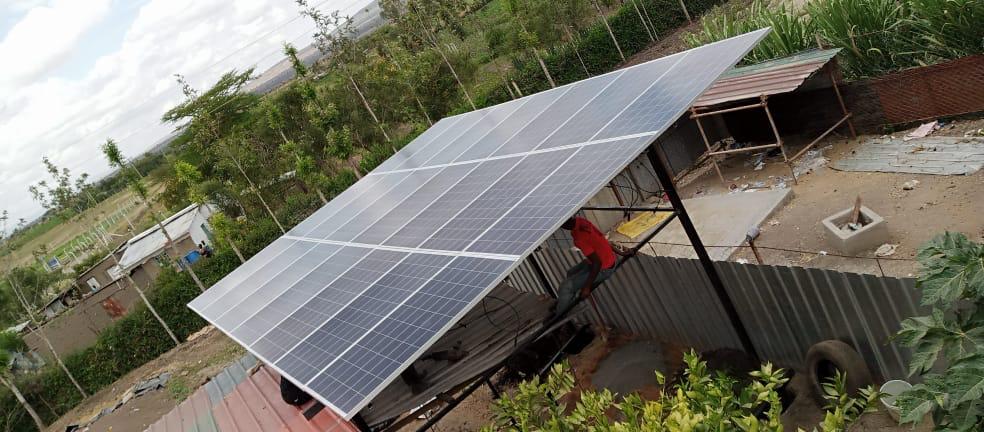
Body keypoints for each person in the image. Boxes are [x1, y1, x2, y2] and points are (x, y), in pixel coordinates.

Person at [553, 216, 632, 318]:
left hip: (604, 268)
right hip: (605, 260)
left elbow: (597, 264)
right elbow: (602, 239)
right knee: (570, 273)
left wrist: (587, 287)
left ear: (563, 226)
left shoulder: (579, 238)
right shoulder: (582, 221)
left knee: (565, 288)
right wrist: (621, 253)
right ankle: (564, 303)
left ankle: (559, 319)